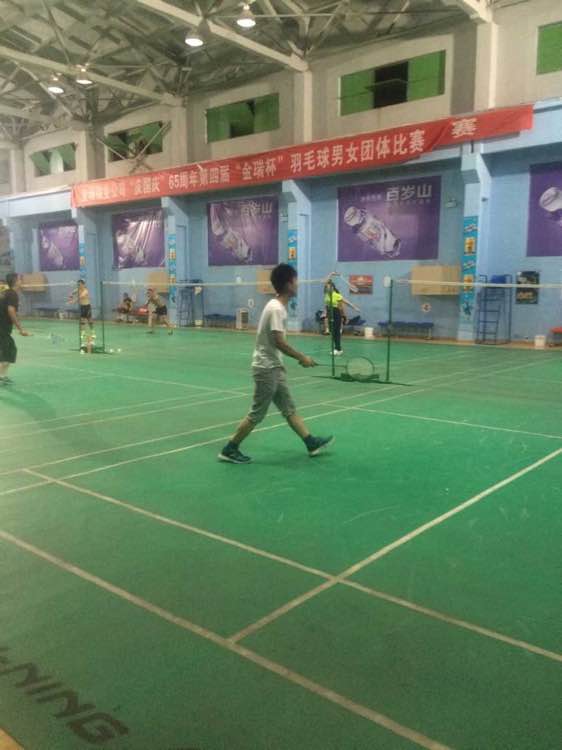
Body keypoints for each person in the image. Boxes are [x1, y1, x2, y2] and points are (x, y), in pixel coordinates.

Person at [219, 263, 333, 464]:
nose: (297, 284)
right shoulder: (276, 309)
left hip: (274, 367)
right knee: (257, 414)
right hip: (266, 368)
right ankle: (230, 448)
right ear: (288, 284)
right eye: (295, 281)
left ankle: (310, 442)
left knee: (288, 408)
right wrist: (302, 357)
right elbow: (279, 341)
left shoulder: (277, 307)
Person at [0, 273, 30, 385]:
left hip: (3, 327)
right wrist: (20, 329)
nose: (21, 281)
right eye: (20, 279)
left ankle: (2, 376)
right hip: (2, 328)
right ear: (16, 281)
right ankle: (1, 376)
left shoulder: (5, 293)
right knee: (9, 351)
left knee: (7, 351)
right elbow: (11, 311)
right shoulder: (12, 294)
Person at [324, 276, 361, 355]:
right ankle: (338, 349)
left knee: (336, 332)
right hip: (329, 313)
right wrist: (331, 274)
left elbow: (346, 302)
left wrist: (354, 307)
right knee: (332, 332)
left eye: (329, 287)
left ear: (333, 288)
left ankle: (337, 348)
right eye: (327, 287)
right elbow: (325, 281)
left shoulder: (336, 295)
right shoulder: (326, 294)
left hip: (336, 313)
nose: (327, 288)